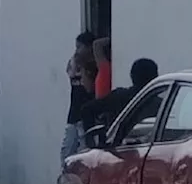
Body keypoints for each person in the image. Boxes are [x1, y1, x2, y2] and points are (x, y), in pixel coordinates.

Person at [80, 57, 159, 128]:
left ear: (132, 76)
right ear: (156, 77)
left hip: (117, 141)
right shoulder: (160, 104)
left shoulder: (118, 96)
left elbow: (87, 110)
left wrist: (91, 139)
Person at [60, 32, 97, 166]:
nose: (77, 51)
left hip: (86, 116)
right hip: (73, 114)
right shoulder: (75, 63)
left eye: (79, 47)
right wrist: (76, 63)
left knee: (83, 153)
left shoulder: (93, 66)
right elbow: (69, 73)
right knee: (66, 152)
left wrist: (83, 69)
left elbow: (89, 88)